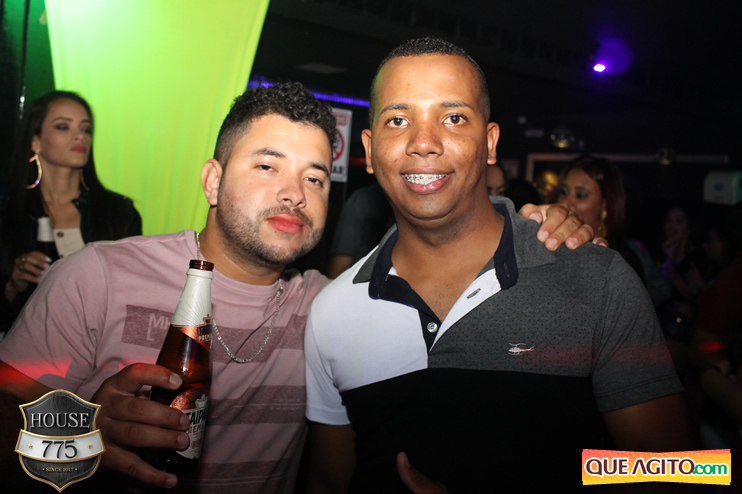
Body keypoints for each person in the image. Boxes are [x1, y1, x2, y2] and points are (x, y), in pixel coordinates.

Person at [0, 82, 592, 493]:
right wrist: (79, 435)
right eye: (267, 166)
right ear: (212, 181)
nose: (294, 193)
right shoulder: (97, 278)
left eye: (314, 177)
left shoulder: (326, 308)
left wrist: (534, 231)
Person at [304, 37, 692, 492]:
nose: (423, 143)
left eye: (453, 118)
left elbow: (685, 472)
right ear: (370, 150)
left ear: (489, 144)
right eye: (398, 120)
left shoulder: (597, 279)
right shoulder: (333, 311)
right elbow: (328, 482)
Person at [0, 91, 142, 336]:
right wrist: (13, 284)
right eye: (63, 127)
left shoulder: (119, 213)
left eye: (86, 129)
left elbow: (137, 297)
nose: (80, 136)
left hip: (98, 349)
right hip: (26, 348)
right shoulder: (8, 214)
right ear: (35, 141)